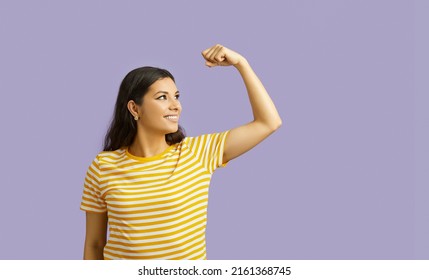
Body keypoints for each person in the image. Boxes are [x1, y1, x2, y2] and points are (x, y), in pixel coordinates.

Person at [80, 44, 282, 260]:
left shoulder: (198, 153)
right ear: (134, 108)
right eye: (162, 97)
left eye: (176, 96)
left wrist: (241, 64)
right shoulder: (103, 167)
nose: (176, 105)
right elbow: (94, 244)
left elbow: (269, 122)